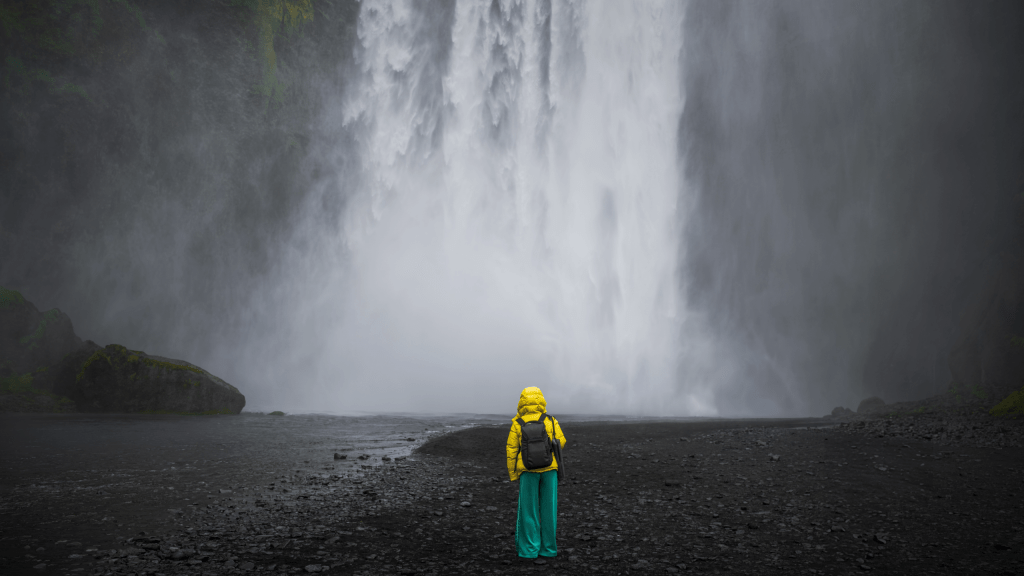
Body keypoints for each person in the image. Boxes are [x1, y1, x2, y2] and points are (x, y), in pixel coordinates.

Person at [506, 386, 567, 560]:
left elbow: (511, 450)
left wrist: (513, 474)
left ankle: (529, 551)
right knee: (549, 511)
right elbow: (561, 442)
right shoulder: (550, 420)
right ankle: (548, 550)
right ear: (541, 400)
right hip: (549, 471)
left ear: (522, 401)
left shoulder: (517, 423)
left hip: (527, 471)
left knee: (528, 511)